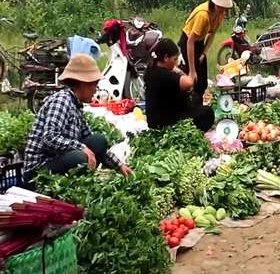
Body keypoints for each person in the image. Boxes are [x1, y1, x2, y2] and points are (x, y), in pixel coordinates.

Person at [22, 54, 132, 187]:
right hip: (37, 171)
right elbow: (49, 138)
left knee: (98, 140)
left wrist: (119, 165)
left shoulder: (76, 105)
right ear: (83, 84)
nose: (95, 89)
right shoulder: (62, 101)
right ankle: (67, 187)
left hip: (56, 159)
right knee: (80, 157)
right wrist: (82, 147)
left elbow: (89, 137)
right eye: (94, 85)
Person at [179, 0, 233, 106]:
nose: (223, 9)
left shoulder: (220, 15)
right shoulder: (203, 15)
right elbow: (190, 41)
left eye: (224, 7)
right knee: (192, 80)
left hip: (199, 44)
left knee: (202, 83)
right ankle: (187, 108)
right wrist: (192, 70)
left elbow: (212, 33)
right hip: (188, 42)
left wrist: (204, 52)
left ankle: (197, 107)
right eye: (221, 6)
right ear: (214, 2)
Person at [144, 39, 215, 132]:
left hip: (159, 117)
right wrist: (177, 70)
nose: (176, 63)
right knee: (207, 113)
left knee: (195, 100)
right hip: (164, 123)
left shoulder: (151, 69)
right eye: (175, 59)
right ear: (166, 58)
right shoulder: (163, 75)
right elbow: (189, 82)